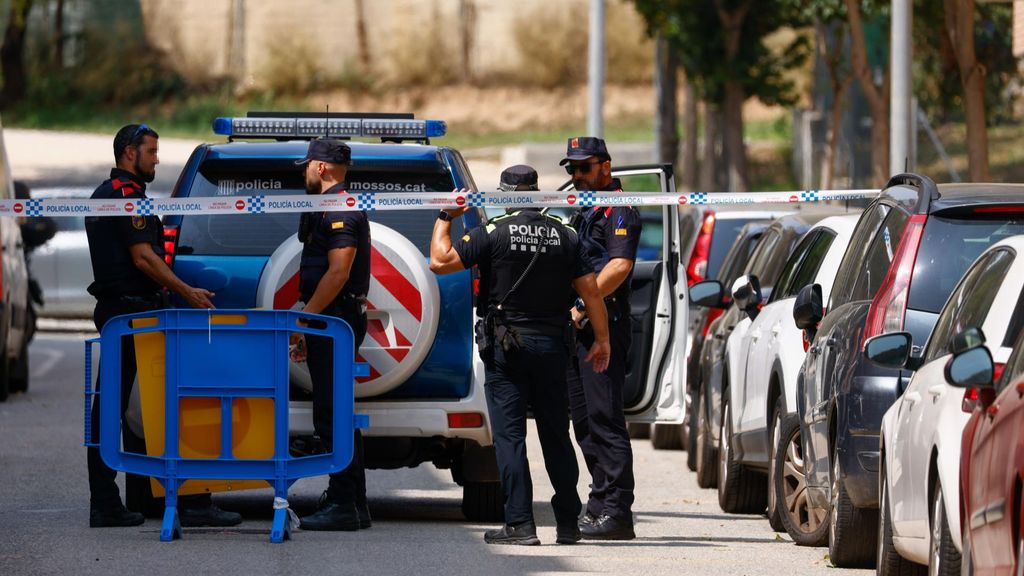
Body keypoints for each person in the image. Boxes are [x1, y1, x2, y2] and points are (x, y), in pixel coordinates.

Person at [429, 165, 611, 546]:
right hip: (552, 347)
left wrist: (446, 216)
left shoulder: (493, 233)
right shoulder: (566, 235)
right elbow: (592, 292)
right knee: (556, 437)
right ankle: (567, 524)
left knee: (511, 438)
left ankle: (520, 525)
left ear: (505, 193)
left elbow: (439, 261)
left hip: (507, 348)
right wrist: (602, 340)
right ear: (536, 192)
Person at [85, 123, 241, 529]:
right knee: (127, 408)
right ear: (128, 153)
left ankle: (147, 497)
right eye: (151, 151)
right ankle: (115, 501)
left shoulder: (118, 195)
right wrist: (187, 291)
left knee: (139, 407)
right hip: (130, 315)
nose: (157, 158)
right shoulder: (123, 197)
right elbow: (143, 258)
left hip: (132, 313)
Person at [562, 136, 642, 540]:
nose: (576, 176)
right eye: (571, 169)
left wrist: (580, 305)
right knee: (584, 422)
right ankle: (599, 503)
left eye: (584, 168)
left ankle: (617, 512)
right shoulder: (583, 207)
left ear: (605, 167)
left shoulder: (618, 208)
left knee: (606, 420)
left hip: (602, 325)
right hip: (579, 329)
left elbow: (620, 266)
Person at [289, 139, 371, 532]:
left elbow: (338, 272)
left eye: (306, 166)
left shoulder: (339, 207)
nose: (303, 172)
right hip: (331, 319)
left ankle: (343, 503)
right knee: (337, 410)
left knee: (332, 413)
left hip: (334, 321)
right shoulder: (326, 205)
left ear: (320, 168)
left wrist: (305, 321)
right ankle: (353, 501)